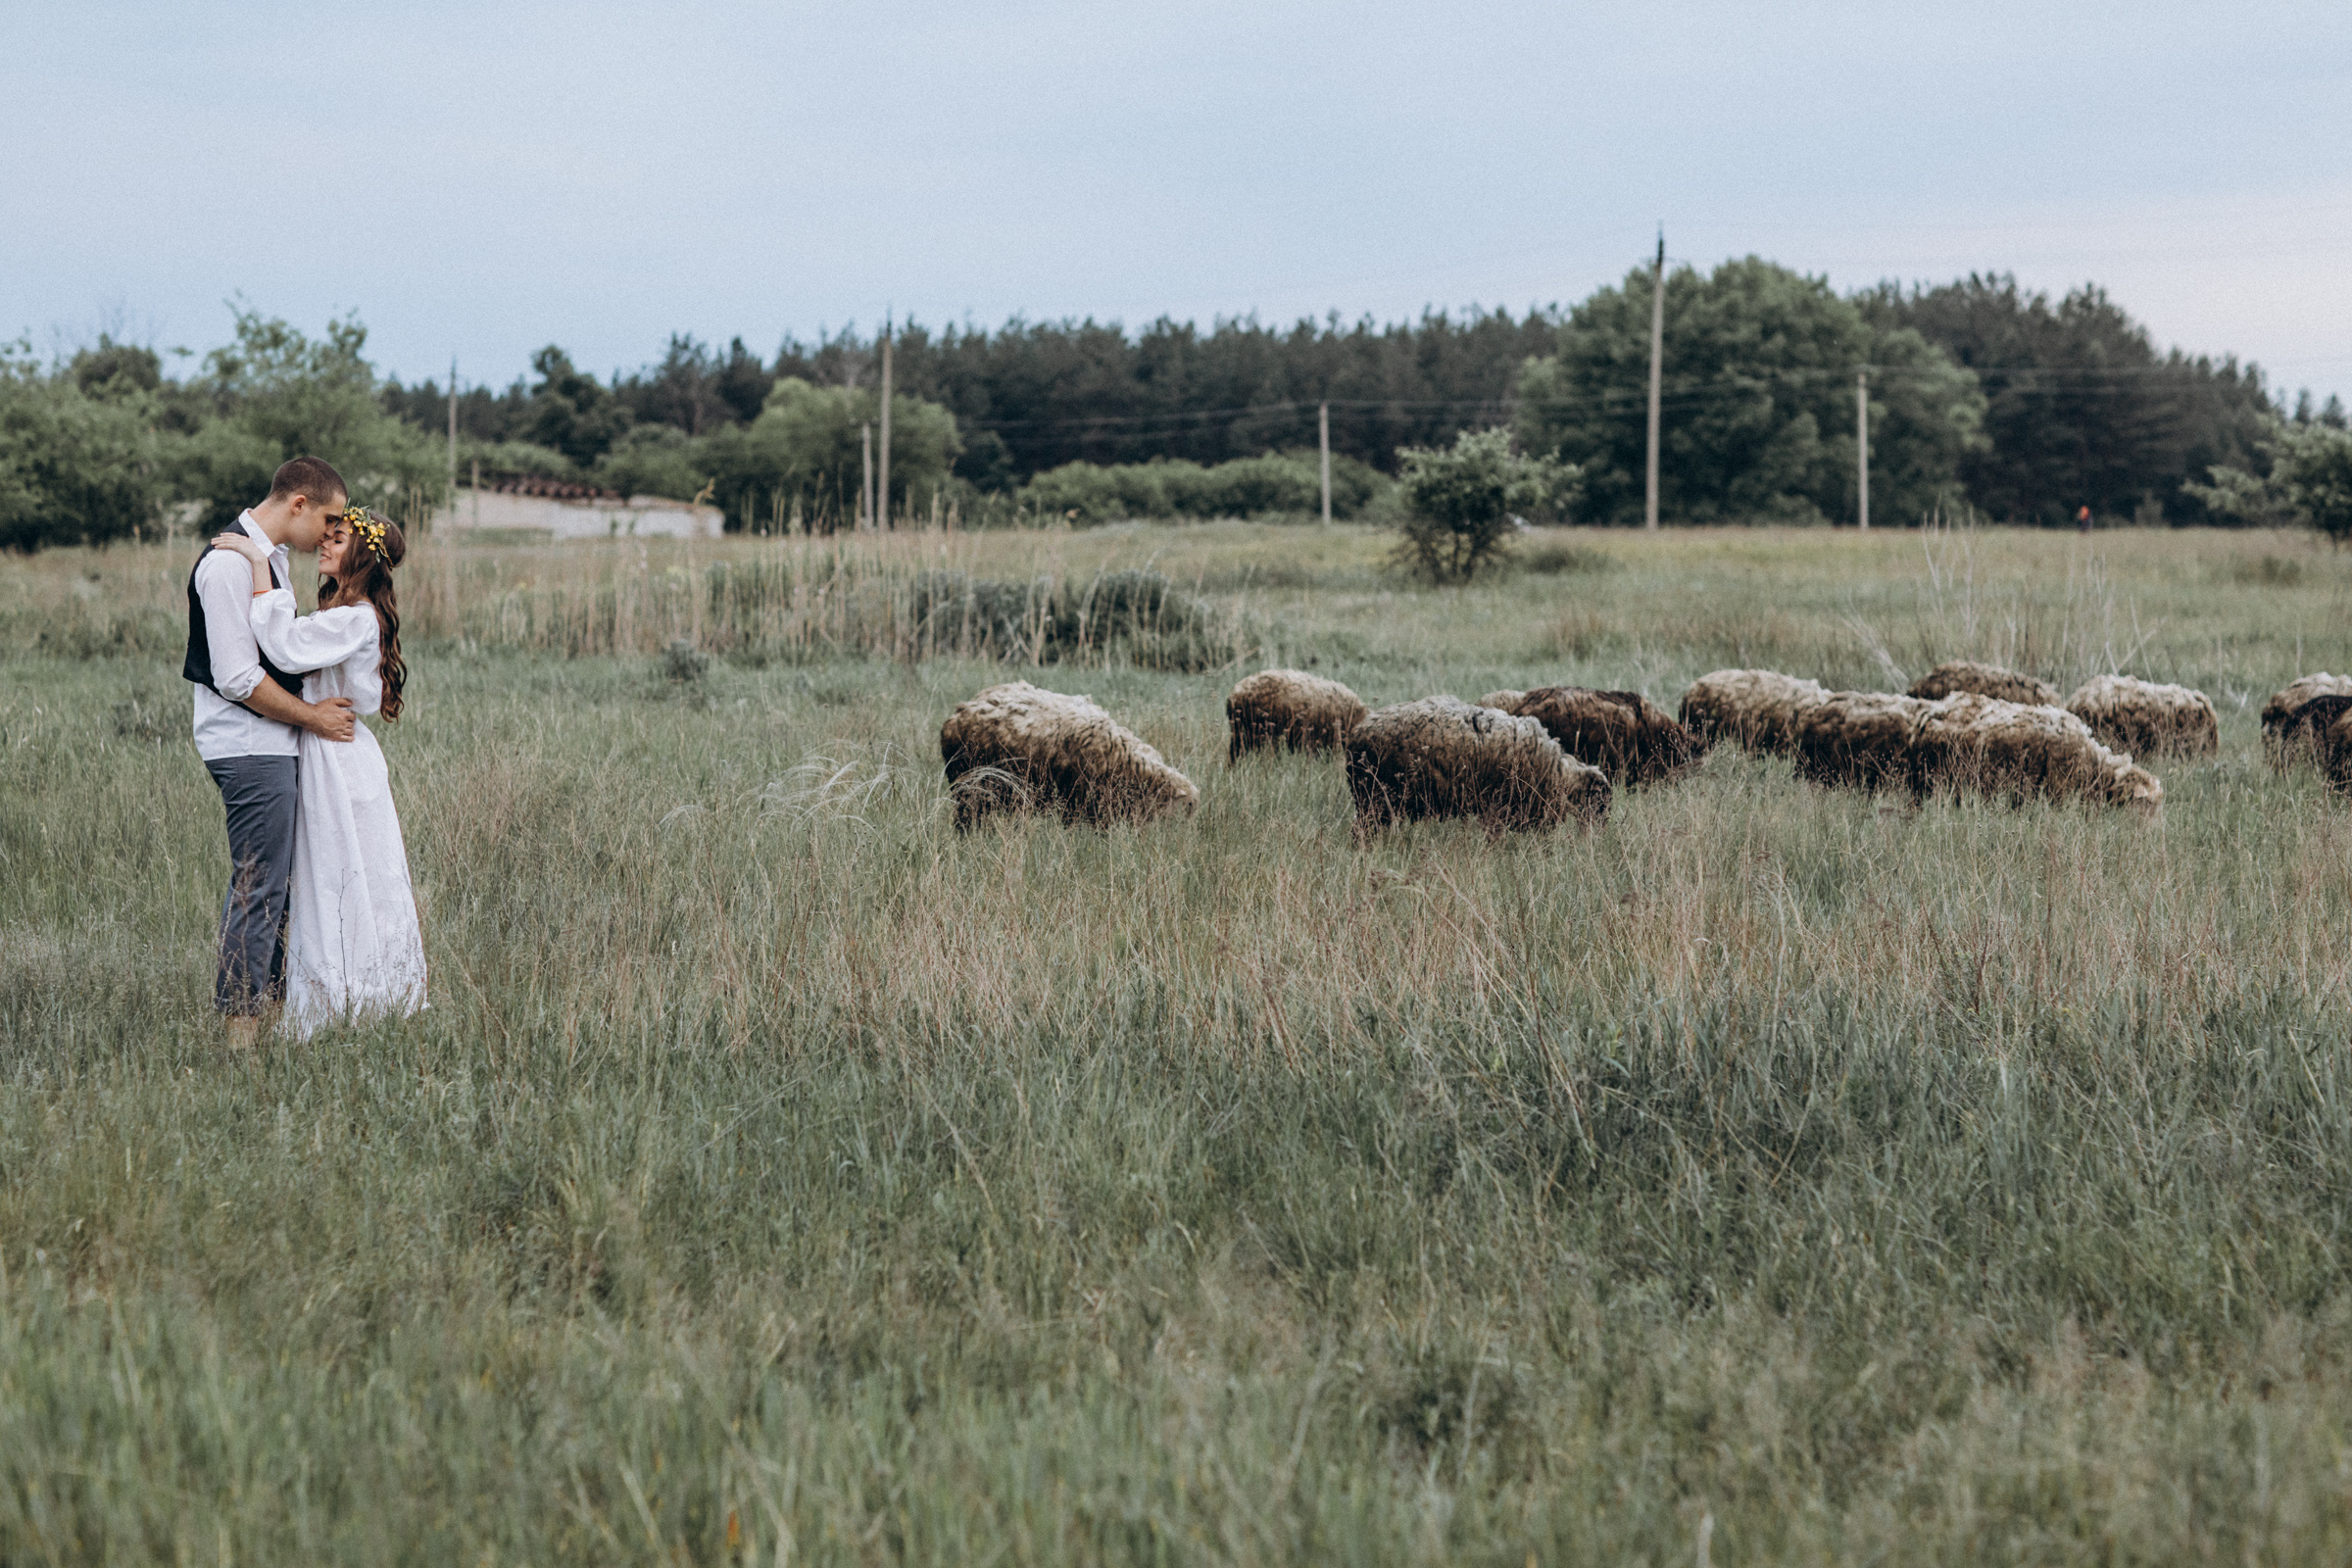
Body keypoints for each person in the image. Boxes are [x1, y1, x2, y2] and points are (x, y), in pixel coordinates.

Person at [210, 505, 427, 1039]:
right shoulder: (348, 613)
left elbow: (284, 645)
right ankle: (339, 997)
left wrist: (258, 568)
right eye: (327, 534)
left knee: (336, 875)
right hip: (333, 749)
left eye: (339, 537)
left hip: (336, 757)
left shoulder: (354, 618)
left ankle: (344, 1004)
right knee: (331, 875)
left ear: (361, 556)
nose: (326, 544)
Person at [186, 457, 360, 1048]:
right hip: (247, 746)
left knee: (279, 888)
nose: (334, 532)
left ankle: (273, 1020)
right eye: (331, 518)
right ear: (298, 504)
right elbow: (236, 677)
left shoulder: (271, 561)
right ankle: (240, 1037)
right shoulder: (228, 566)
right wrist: (313, 718)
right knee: (259, 886)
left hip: (272, 744)